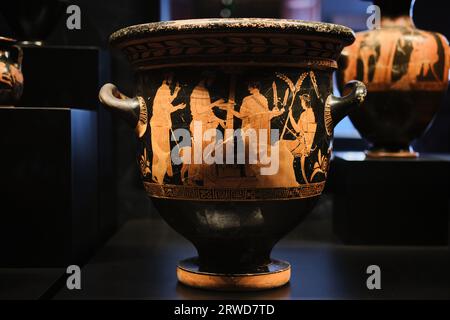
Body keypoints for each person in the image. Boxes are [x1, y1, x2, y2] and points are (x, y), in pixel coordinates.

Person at [150, 76, 186, 184]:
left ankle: (158, 176)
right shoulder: (164, 89)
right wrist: (178, 107)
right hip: (160, 125)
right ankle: (160, 177)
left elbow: (167, 101)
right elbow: (167, 107)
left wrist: (175, 92)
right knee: (162, 152)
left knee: (159, 151)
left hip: (159, 124)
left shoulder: (162, 89)